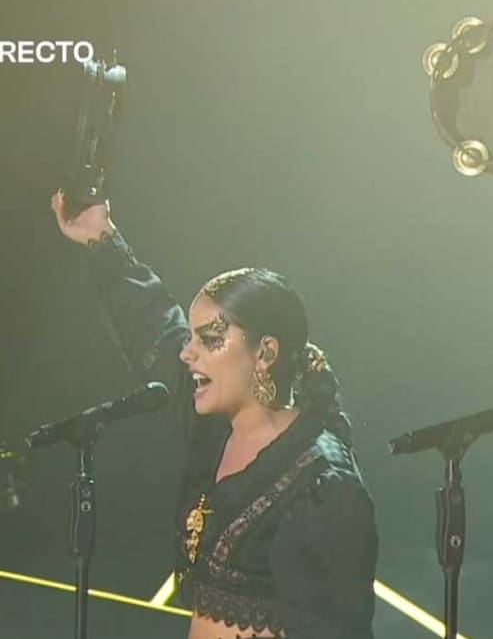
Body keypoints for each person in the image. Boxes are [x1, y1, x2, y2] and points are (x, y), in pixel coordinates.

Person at [50, 191, 377, 639]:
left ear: (265, 353)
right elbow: (155, 327)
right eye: (192, 337)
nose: (188, 352)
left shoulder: (321, 483)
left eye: (208, 340)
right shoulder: (214, 428)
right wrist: (99, 236)